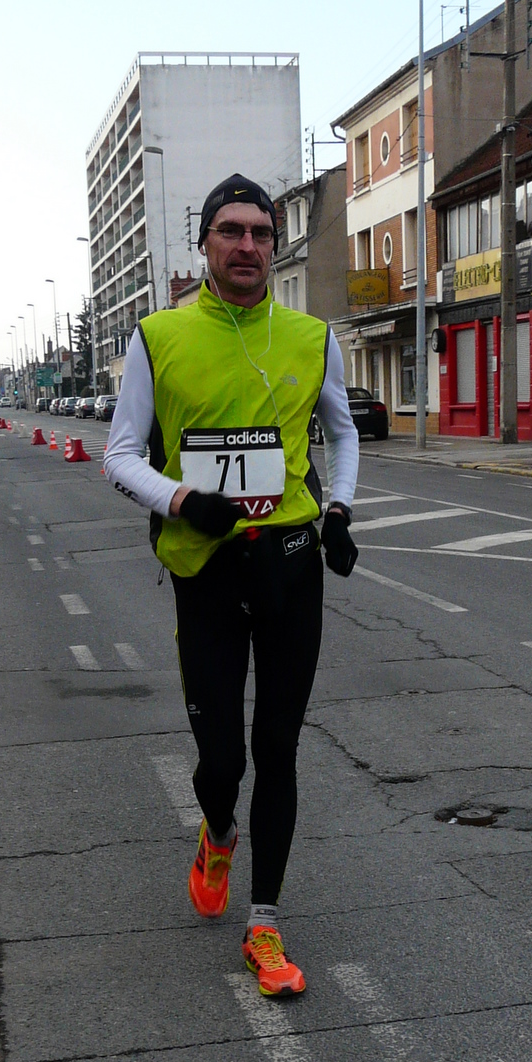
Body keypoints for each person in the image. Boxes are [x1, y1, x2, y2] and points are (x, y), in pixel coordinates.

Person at [105, 172, 360, 998]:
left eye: (259, 232)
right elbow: (119, 455)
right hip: (204, 568)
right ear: (205, 244)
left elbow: (341, 429)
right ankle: (217, 833)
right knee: (221, 761)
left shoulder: (311, 336)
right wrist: (181, 499)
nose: (246, 246)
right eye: (230, 232)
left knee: (276, 748)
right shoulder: (158, 336)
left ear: (272, 242)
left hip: (288, 562)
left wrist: (340, 511)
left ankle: (264, 925)